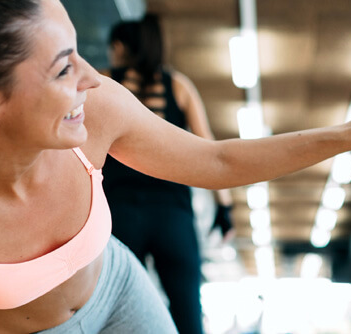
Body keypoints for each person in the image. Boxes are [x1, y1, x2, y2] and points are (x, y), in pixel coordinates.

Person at [0, 0, 351, 333]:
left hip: (119, 291)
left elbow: (215, 159)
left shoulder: (94, 113)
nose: (91, 79)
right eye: (64, 68)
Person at [99, 15, 231, 334]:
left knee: (116, 307)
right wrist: (224, 207)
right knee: (187, 307)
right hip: (173, 216)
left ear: (119, 47)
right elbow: (208, 146)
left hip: (118, 213)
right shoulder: (178, 85)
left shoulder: (104, 82)